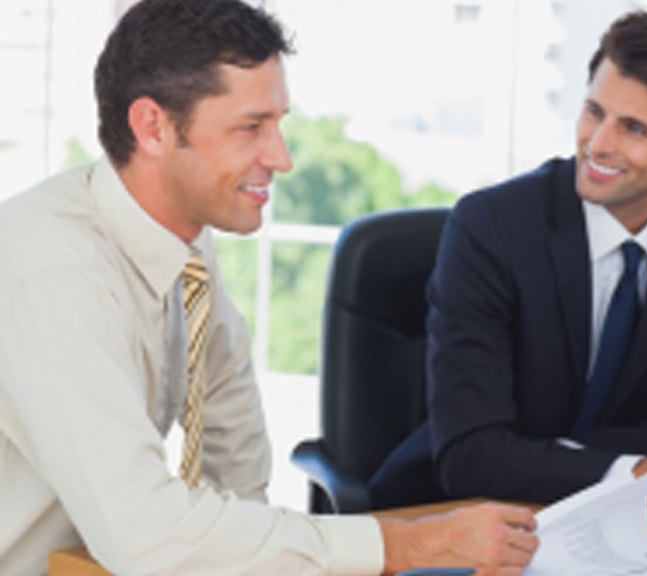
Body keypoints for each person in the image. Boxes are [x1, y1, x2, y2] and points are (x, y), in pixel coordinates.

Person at [0, 1, 538, 574]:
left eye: (279, 124)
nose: (280, 158)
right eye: (251, 127)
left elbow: (232, 429)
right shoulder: (54, 274)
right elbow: (145, 534)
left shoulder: (183, 240)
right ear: (152, 127)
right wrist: (406, 544)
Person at [371, 10, 647, 508]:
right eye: (594, 112)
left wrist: (543, 458)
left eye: (634, 129)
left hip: (634, 525)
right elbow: (471, 454)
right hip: (459, 511)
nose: (598, 144)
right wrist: (638, 472)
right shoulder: (492, 227)